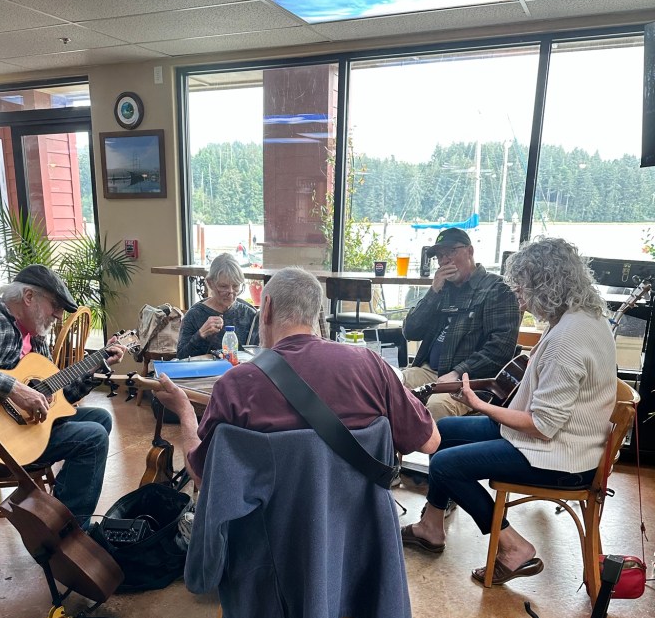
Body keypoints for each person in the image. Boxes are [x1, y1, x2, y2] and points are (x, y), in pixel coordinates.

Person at [400, 237, 618, 585]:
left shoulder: (568, 339)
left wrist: (482, 405)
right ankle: (431, 527)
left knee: (445, 463)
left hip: (559, 457)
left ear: (546, 285)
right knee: (445, 431)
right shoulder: (583, 317)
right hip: (563, 441)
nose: (521, 297)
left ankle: (514, 546)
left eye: (525, 289)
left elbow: (542, 426)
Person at [157, 266, 439, 488]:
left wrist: (184, 410)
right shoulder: (371, 365)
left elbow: (203, 477)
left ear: (265, 308)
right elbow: (430, 442)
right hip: (359, 540)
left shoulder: (236, 385)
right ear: (316, 314)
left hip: (273, 542)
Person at [0, 264, 124, 526]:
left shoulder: (35, 337)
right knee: (93, 438)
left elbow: (59, 398)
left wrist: (97, 363)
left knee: (100, 418)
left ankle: (59, 509)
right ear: (29, 297)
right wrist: (14, 389)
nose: (59, 316)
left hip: (21, 434)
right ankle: (68, 533)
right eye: (55, 306)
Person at [401, 228, 521, 420]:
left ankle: (439, 450)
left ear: (470, 251)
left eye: (451, 251)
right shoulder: (442, 289)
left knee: (437, 405)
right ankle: (386, 448)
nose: (444, 260)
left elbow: (501, 348)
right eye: (440, 256)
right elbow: (411, 331)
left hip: (469, 380)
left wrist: (459, 371)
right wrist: (432, 292)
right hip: (428, 371)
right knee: (386, 385)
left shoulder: (497, 289)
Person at [176, 252, 259, 359]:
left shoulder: (249, 315)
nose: (231, 292)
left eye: (235, 286)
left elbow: (260, 354)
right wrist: (201, 335)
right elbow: (181, 358)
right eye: (223, 286)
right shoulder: (195, 315)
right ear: (210, 283)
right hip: (204, 374)